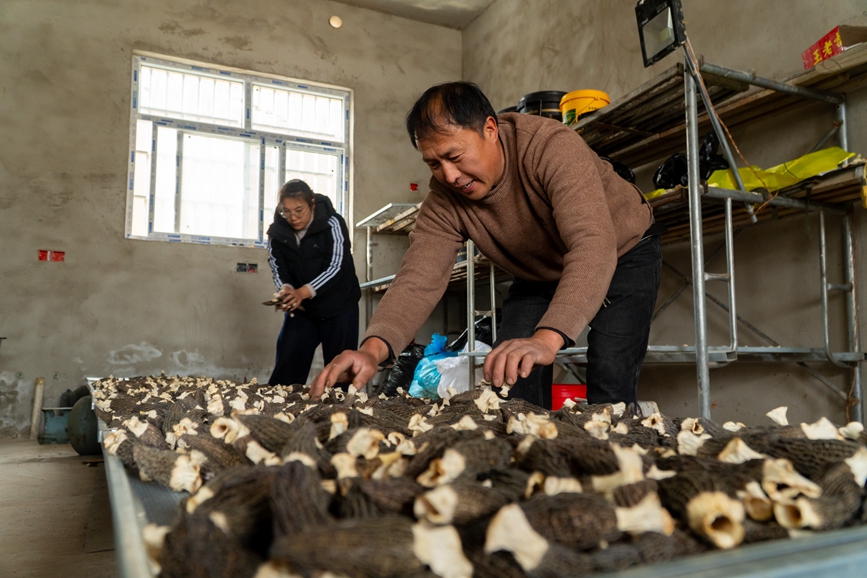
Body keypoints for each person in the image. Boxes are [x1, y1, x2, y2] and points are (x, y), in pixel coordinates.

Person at [312, 82, 661, 409]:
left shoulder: (552, 147)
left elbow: (592, 245)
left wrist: (547, 338)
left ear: (490, 130)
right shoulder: (444, 201)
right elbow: (418, 279)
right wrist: (372, 351)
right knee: (512, 379)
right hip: (537, 272)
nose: (449, 175)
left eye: (455, 155)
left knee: (610, 374)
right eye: (434, 163)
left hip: (622, 251)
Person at [266, 179, 361, 386]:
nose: (293, 217)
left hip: (340, 307)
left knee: (339, 374)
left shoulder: (332, 222)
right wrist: (286, 289)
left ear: (312, 204)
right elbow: (278, 267)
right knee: (286, 370)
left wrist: (303, 292)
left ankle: (339, 414)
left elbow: (336, 266)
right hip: (303, 312)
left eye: (299, 210)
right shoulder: (276, 233)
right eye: (286, 211)